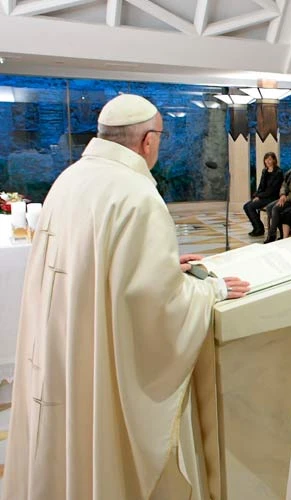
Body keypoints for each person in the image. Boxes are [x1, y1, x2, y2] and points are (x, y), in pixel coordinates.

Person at [3, 94, 249, 499]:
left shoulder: (69, 179)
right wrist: (210, 289)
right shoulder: (137, 195)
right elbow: (156, 307)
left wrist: (166, 264)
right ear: (148, 140)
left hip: (67, 347)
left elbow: (98, 269)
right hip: (98, 357)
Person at [244, 151, 284, 237]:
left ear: (274, 160)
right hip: (263, 196)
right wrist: (256, 195)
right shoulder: (265, 170)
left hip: (272, 197)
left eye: (270, 159)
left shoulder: (278, 172)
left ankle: (259, 229)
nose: (268, 161)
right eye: (266, 159)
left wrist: (259, 196)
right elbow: (261, 186)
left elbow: (272, 190)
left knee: (250, 206)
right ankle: (257, 227)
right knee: (246, 206)